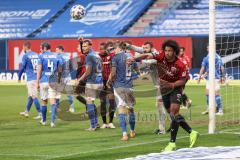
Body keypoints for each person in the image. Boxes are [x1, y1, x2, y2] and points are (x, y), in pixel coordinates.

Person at [132, 40, 199, 151]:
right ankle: (192, 132)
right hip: (164, 89)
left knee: (174, 113)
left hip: (176, 88)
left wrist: (172, 84)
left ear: (175, 52)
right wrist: (134, 58)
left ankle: (172, 143)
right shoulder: (161, 55)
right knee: (173, 116)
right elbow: (148, 55)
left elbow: (183, 80)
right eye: (166, 50)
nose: (167, 53)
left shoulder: (180, 64)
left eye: (170, 51)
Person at [126, 41, 166, 135]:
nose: (144, 50)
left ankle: (162, 129)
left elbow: (146, 61)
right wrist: (128, 46)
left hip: (164, 84)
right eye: (143, 48)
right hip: (159, 84)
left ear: (152, 48)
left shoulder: (156, 55)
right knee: (166, 106)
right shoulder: (146, 51)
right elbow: (137, 49)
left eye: (146, 48)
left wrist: (134, 59)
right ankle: (167, 126)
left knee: (160, 105)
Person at [107, 41, 140, 141]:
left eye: (114, 48)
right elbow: (138, 72)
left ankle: (124, 134)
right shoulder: (130, 56)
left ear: (119, 48)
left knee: (121, 109)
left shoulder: (115, 58)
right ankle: (132, 131)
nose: (113, 50)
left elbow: (113, 73)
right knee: (130, 109)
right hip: (129, 86)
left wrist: (109, 81)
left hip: (118, 86)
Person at [77, 39, 103, 131]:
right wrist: (80, 42)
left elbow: (88, 72)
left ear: (90, 46)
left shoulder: (89, 56)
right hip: (99, 82)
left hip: (92, 82)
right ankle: (96, 123)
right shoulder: (97, 55)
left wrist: (80, 80)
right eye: (83, 46)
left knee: (89, 103)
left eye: (85, 46)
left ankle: (93, 125)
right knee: (91, 102)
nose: (83, 48)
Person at [36, 42, 62, 127]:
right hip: (53, 81)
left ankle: (43, 121)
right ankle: (52, 122)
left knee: (43, 101)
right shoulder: (56, 56)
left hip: (43, 81)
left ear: (45, 48)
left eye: (41, 48)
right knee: (53, 102)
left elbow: (39, 70)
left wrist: (37, 82)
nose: (40, 49)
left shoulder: (41, 56)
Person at [198, 45, 225, 115]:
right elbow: (222, 68)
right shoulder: (218, 57)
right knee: (208, 94)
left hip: (212, 78)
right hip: (216, 78)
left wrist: (199, 77)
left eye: (208, 48)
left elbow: (202, 68)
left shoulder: (207, 58)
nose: (207, 49)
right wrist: (223, 77)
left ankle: (220, 110)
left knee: (214, 94)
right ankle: (211, 109)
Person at [18, 41, 42, 119]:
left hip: (31, 78)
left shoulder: (25, 55)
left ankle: (40, 113)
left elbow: (22, 67)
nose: (23, 48)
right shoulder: (36, 54)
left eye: (23, 47)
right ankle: (26, 112)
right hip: (37, 77)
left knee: (34, 96)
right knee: (30, 96)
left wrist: (19, 77)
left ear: (25, 47)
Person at [98, 41, 116, 129]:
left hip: (110, 82)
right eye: (100, 49)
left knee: (112, 101)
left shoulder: (112, 57)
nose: (102, 51)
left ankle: (111, 122)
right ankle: (104, 123)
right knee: (102, 103)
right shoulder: (97, 57)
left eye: (103, 49)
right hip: (101, 83)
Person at [55, 45, 75, 113]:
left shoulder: (59, 56)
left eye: (57, 50)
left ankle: (56, 108)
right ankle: (72, 108)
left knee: (57, 92)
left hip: (62, 76)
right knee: (69, 93)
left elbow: (60, 67)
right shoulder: (67, 56)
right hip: (68, 76)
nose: (56, 51)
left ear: (60, 50)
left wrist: (59, 78)